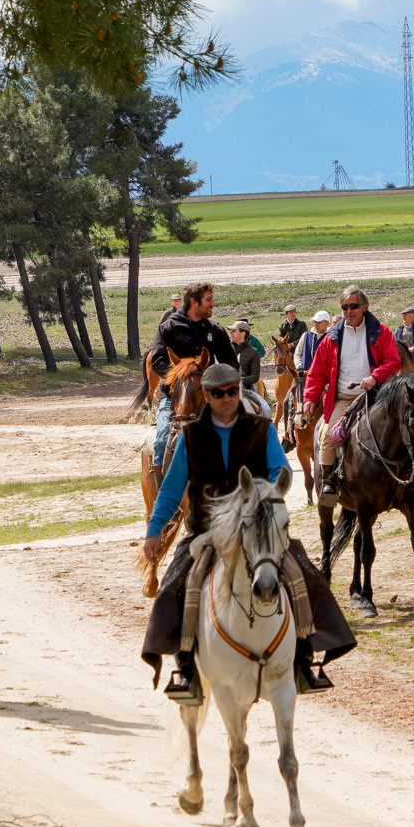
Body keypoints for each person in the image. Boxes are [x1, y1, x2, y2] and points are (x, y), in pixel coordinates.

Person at [139, 363, 347, 702]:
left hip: (257, 526)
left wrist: (271, 487)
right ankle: (187, 670)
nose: (227, 399)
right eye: (219, 394)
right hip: (207, 530)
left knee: (301, 572)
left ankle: (304, 660)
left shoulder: (262, 430)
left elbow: (280, 468)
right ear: (206, 395)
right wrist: (153, 531)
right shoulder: (190, 437)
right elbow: (172, 491)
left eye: (233, 391)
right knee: (178, 584)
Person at [301, 285, 401, 502]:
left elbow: (393, 362)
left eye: (353, 306)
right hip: (344, 398)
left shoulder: (382, 332)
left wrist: (375, 377)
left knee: (407, 424)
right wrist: (309, 397)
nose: (348, 311)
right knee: (328, 435)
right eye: (344, 307)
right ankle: (329, 482)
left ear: (364, 307)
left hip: (377, 394)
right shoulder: (331, 338)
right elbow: (316, 373)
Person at [148, 281, 239, 466]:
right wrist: (182, 375)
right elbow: (157, 361)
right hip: (174, 397)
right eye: (209, 300)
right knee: (162, 442)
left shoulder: (215, 330)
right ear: (193, 302)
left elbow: (230, 362)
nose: (213, 304)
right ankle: (163, 493)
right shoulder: (168, 328)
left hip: (209, 398)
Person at [294, 309, 329, 379]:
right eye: (315, 321)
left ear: (327, 323)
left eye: (319, 322)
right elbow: (298, 353)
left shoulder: (330, 337)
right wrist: (300, 367)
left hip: (323, 379)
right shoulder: (306, 336)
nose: (316, 324)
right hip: (305, 377)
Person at [229, 322, 262, 394]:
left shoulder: (253, 352)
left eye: (234, 331)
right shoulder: (224, 350)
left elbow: (255, 376)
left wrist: (240, 380)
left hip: (246, 390)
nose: (231, 333)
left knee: (264, 405)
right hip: (225, 389)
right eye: (231, 331)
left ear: (242, 334)